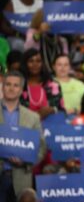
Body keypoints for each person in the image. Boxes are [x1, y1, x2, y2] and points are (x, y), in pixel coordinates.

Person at [0, 71, 46, 200]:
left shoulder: (33, 117)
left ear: (21, 90)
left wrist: (27, 162)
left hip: (21, 177)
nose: (11, 88)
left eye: (15, 85)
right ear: (2, 87)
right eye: (8, 84)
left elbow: (41, 148)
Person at [19, 48, 64, 120]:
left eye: (38, 61)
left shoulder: (53, 84)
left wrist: (51, 110)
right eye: (31, 61)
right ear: (25, 64)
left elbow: (61, 110)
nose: (35, 64)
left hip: (51, 126)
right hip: (26, 127)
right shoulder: (19, 85)